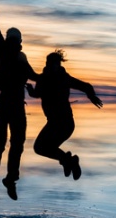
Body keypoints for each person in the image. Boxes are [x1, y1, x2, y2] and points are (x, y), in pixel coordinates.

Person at [0, 0, 38, 201]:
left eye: (16, 41)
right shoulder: (1, 49)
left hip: (18, 105)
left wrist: (45, 84)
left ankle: (10, 179)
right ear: (8, 40)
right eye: (11, 40)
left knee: (18, 142)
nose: (14, 43)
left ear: (19, 42)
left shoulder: (22, 58)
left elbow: (34, 76)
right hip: (5, 102)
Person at [28, 49, 102, 180]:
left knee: (43, 147)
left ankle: (69, 162)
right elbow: (37, 94)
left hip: (65, 124)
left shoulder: (64, 78)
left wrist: (92, 97)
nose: (50, 66)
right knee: (41, 148)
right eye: (49, 63)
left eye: (54, 63)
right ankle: (69, 161)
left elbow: (86, 86)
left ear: (59, 64)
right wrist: (30, 91)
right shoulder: (43, 79)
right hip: (53, 123)